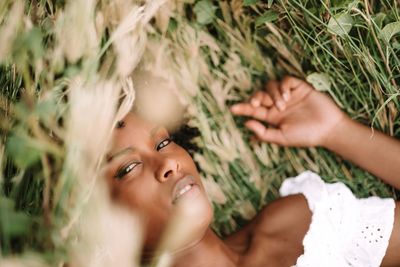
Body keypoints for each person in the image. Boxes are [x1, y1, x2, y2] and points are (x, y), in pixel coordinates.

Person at [104, 76, 400, 267]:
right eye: (128, 168)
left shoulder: (301, 224)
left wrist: (338, 132)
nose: (168, 163)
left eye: (164, 142)